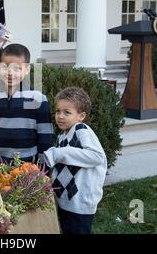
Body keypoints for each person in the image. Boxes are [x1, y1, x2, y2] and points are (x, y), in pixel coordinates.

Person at [43, 87, 107, 234]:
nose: (60, 116)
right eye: (58, 111)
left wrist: (60, 153)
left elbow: (97, 156)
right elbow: (63, 165)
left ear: (81, 116)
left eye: (67, 112)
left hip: (80, 204)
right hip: (66, 201)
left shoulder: (81, 130)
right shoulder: (62, 135)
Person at [0, 44, 54, 163]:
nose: (10, 73)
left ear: (27, 69)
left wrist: (43, 165)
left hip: (28, 166)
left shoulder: (38, 99)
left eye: (17, 68)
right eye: (5, 67)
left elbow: (45, 135)